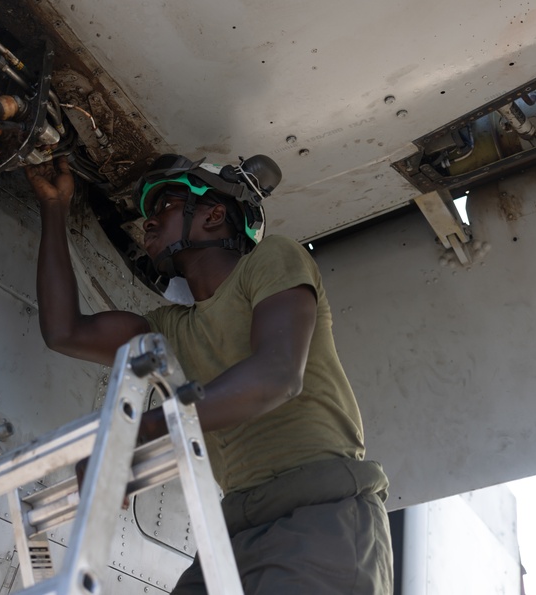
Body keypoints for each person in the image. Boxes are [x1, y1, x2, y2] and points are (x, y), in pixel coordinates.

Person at [25, 153, 393, 594]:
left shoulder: (273, 258)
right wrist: (54, 207)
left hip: (319, 515)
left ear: (215, 214)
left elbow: (278, 375)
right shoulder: (169, 329)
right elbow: (65, 332)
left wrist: (132, 435)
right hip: (234, 530)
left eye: (165, 206)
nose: (149, 221)